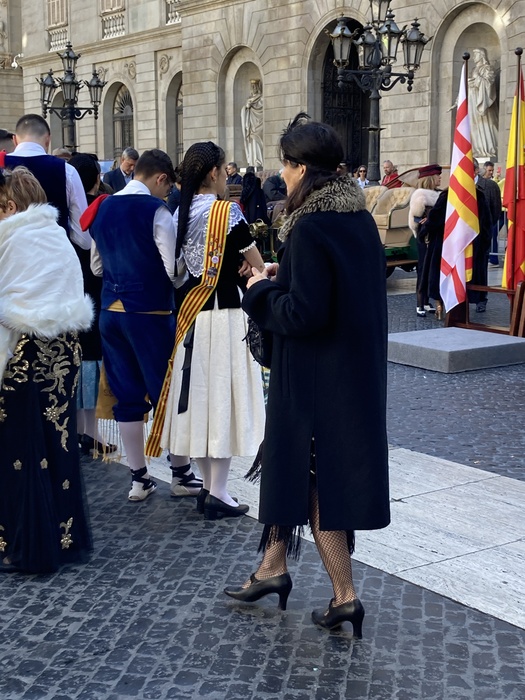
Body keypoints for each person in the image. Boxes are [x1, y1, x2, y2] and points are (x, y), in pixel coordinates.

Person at [223, 114, 390, 635]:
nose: (282, 173)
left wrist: (259, 292)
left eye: (286, 164)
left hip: (316, 382)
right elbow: (337, 290)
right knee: (295, 471)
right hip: (350, 375)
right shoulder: (356, 218)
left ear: (301, 168)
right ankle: (271, 569)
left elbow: (304, 314)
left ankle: (345, 595)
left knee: (315, 483)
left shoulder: (310, 227)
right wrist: (284, 274)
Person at [149, 141, 266, 520]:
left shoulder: (179, 212)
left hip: (193, 314)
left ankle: (209, 487)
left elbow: (179, 270)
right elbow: (257, 261)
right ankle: (218, 491)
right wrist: (248, 266)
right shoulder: (225, 211)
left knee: (198, 400)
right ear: (214, 173)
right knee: (223, 398)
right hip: (226, 314)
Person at [83, 149, 201, 502]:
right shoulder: (155, 210)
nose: (166, 193)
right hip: (150, 313)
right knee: (167, 392)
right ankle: (181, 474)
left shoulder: (103, 207)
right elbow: (173, 270)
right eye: (167, 187)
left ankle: (139, 478)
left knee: (126, 395)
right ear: (161, 178)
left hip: (110, 312)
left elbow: (97, 267)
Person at [0, 166, 93, 573]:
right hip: (63, 351)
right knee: (58, 440)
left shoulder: (10, 239)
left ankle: (22, 543)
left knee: (19, 445)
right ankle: (61, 534)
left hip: (22, 351)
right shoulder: (57, 236)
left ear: (10, 205)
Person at [69, 153, 116, 457]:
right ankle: (91, 431)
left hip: (69, 290)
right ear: (97, 178)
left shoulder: (64, 210)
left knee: (75, 357)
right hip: (96, 288)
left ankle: (77, 429)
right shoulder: (101, 207)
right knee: (91, 357)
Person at [1, 114, 90, 251]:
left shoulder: (1, 167)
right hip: (55, 255)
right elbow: (83, 238)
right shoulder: (67, 170)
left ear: (14, 140)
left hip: (8, 255)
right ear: (48, 139)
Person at [408, 164, 443, 317]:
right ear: (430, 178)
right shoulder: (420, 194)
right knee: (423, 269)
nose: (440, 178)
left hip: (436, 235)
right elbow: (414, 217)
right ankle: (420, 303)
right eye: (437, 176)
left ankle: (428, 301)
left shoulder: (440, 194)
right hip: (424, 236)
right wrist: (423, 221)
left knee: (432, 269)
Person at [468, 48, 499, 161]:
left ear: (482, 55)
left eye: (475, 54)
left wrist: (477, 78)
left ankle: (488, 149)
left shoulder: (488, 68)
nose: (473, 57)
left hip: (483, 102)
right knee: (474, 125)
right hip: (472, 101)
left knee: (486, 124)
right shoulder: (473, 70)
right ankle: (478, 150)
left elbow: (489, 84)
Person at [477, 159, 502, 267]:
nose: (491, 173)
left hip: (489, 220)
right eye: (489, 170)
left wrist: (490, 221)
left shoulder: (492, 184)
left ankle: (493, 258)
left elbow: (496, 206)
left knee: (492, 235)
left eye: (492, 170)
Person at [241, 79, 264, 168]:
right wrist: (246, 107)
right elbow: (244, 109)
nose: (253, 89)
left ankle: (258, 161)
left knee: (257, 141)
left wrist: (252, 105)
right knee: (252, 142)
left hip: (258, 123)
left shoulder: (261, 98)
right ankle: (253, 162)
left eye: (255, 87)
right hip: (251, 124)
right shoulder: (249, 99)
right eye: (252, 87)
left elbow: (262, 107)